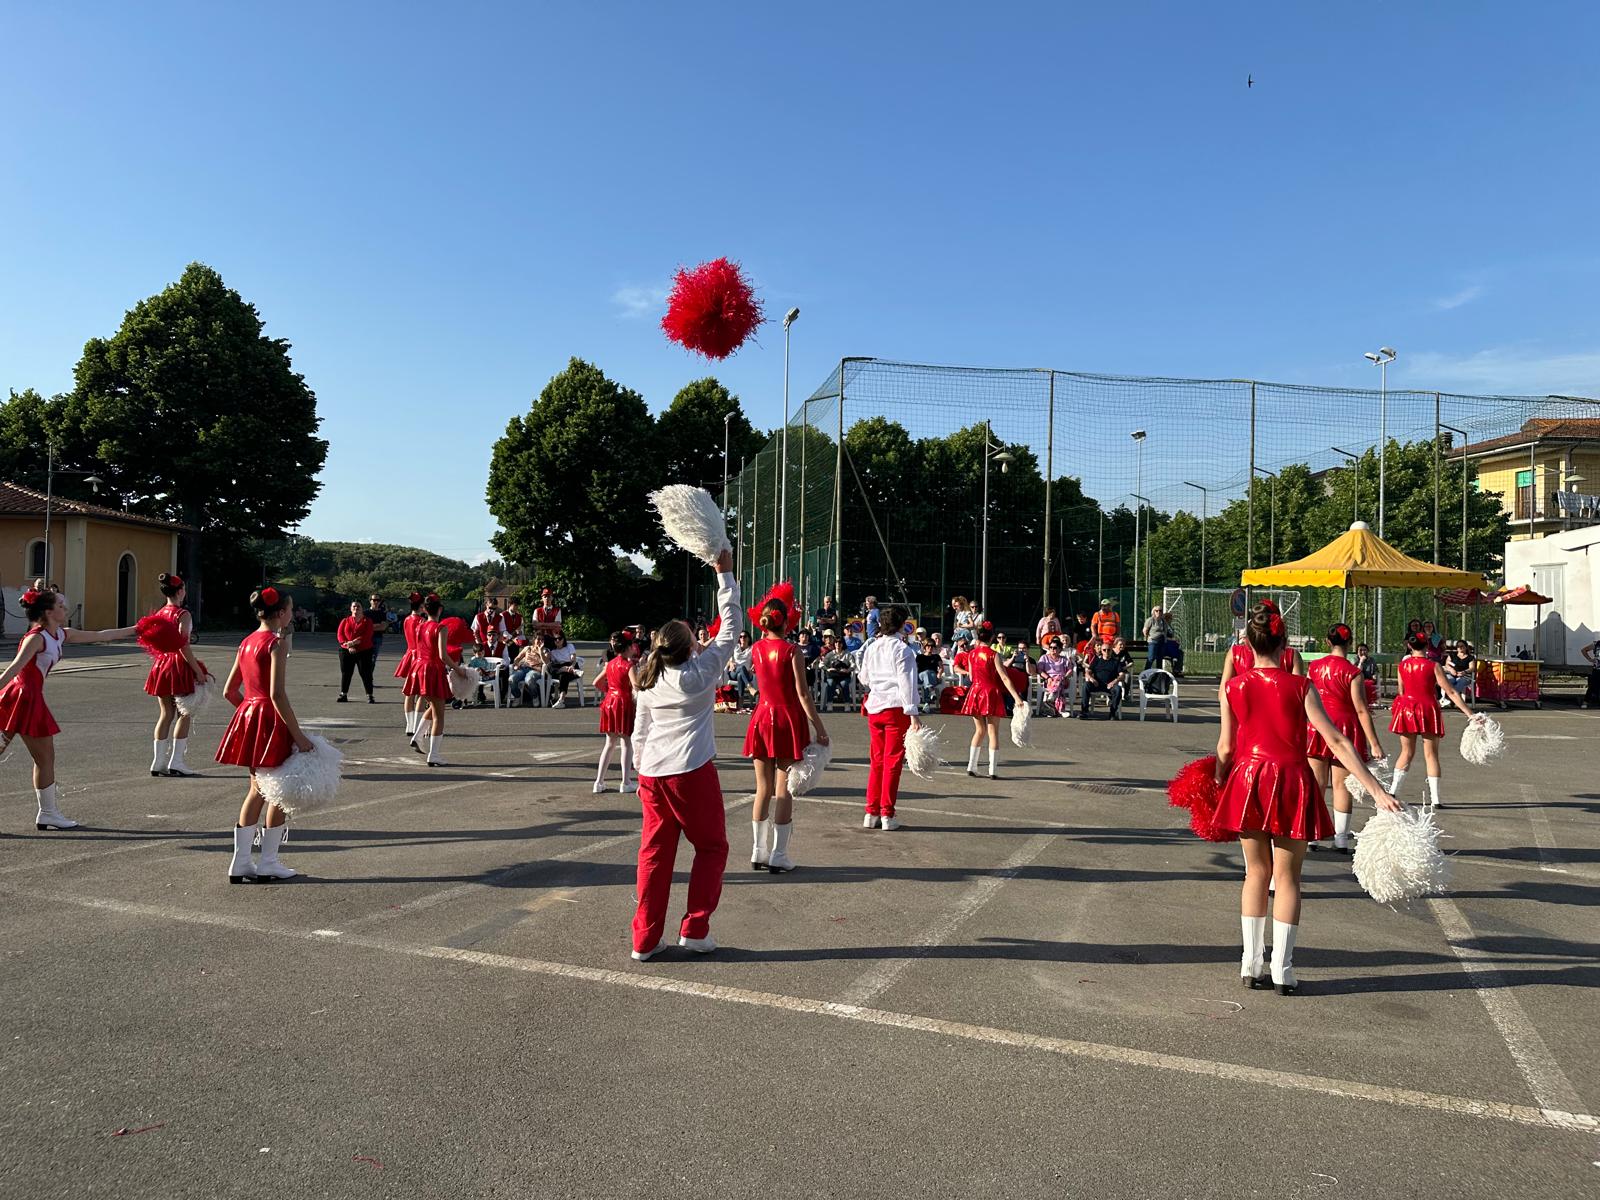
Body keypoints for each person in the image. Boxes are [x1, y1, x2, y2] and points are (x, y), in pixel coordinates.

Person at [1215, 602, 1398, 995]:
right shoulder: (1301, 686)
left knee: (1255, 874)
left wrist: (1217, 778)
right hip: (1291, 780)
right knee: (1288, 878)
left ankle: (1250, 964)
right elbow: (1336, 740)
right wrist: (1376, 790)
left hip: (1248, 780)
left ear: (1249, 644)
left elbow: (1226, 748)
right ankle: (1282, 970)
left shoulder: (1232, 687)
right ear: (1285, 645)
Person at [628, 550, 740, 961]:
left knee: (654, 855)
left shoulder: (648, 677)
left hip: (653, 773)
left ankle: (644, 940)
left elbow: (640, 731)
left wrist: (639, 771)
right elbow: (732, 626)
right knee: (712, 847)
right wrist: (724, 575)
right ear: (690, 646)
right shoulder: (700, 673)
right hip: (690, 771)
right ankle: (694, 928)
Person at [0, 587, 139, 831]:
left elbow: (101, 635)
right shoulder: (36, 638)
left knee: (45, 759)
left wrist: (138, 628)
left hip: (26, 699)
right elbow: (14, 668)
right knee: (45, 758)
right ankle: (48, 813)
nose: (65, 608)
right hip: (22, 699)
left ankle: (48, 813)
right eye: (60, 606)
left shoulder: (60, 634)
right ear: (48, 612)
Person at [217, 584, 315, 882]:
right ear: (282, 613)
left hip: (250, 716)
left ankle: (240, 862)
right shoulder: (276, 643)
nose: (292, 614)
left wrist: (249, 713)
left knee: (257, 790)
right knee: (278, 791)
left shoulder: (246, 641)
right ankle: (269, 861)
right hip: (271, 720)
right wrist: (299, 736)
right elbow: (277, 694)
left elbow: (229, 691)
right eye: (291, 609)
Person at [743, 587, 830, 873]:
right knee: (784, 790)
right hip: (787, 720)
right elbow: (803, 694)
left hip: (761, 717)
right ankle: (778, 855)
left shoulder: (756, 648)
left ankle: (758, 851)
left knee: (762, 788)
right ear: (786, 621)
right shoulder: (792, 651)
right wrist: (820, 728)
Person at [1305, 623, 1386, 855]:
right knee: (1342, 785)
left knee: (1317, 784)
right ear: (1350, 643)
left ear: (1327, 642)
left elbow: (1306, 697)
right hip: (1344, 728)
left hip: (1317, 725)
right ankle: (1341, 839)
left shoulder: (1314, 667)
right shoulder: (1353, 672)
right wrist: (1374, 743)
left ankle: (1312, 835)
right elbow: (1361, 710)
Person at [1389, 632, 1478, 810]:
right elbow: (1451, 692)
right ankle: (1435, 799)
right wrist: (1471, 714)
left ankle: (1393, 791)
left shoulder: (1403, 665)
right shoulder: (1433, 666)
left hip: (1407, 708)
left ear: (1410, 646)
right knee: (1431, 755)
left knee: (1406, 752)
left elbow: (1401, 691)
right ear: (1427, 646)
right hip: (1428, 709)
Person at [142, 572, 213, 777]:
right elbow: (183, 645)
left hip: (161, 664)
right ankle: (177, 762)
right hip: (179, 666)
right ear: (180, 591)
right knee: (185, 713)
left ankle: (158, 762)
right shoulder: (183, 614)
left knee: (165, 714)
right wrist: (198, 671)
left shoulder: (160, 613)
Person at [860, 604, 923, 830]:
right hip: (895, 709)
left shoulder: (872, 647)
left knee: (877, 761)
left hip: (875, 707)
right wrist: (913, 713)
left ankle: (871, 812)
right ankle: (887, 813)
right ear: (902, 625)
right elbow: (907, 683)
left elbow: (864, 678)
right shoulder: (903, 649)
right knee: (893, 762)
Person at [962, 620, 1024, 778]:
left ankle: (971, 766)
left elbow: (970, 676)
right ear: (992, 638)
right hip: (990, 693)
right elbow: (1004, 677)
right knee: (993, 732)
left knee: (979, 730)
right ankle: (993, 771)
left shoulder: (971, 654)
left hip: (975, 692)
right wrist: (1016, 697)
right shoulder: (994, 654)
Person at [403, 593, 452, 766]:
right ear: (440, 609)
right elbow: (443, 656)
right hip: (433, 669)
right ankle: (434, 754)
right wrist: (459, 669)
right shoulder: (441, 628)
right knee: (439, 715)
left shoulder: (419, 626)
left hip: (419, 667)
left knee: (434, 705)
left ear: (425, 609)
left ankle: (417, 736)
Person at [1218, 600, 1302, 698]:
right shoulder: (1291, 655)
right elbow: (1298, 694)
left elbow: (1223, 694)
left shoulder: (1235, 653)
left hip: (1242, 705)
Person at [594, 631, 641, 794]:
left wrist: (609, 691)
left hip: (609, 702)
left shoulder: (610, 664)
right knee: (626, 742)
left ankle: (599, 782)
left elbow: (596, 682)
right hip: (623, 703)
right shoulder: (629, 666)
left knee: (609, 743)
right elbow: (636, 686)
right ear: (628, 648)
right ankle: (625, 782)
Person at [394, 592, 425, 736]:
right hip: (419, 657)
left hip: (409, 655)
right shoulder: (421, 621)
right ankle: (416, 724)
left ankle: (409, 725)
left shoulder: (406, 619)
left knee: (409, 693)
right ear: (421, 606)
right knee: (420, 693)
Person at [336, 600, 377, 704]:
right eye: (354, 606)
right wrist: (347, 645)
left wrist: (353, 642)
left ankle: (369, 695)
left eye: (358, 606)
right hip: (346, 650)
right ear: (351, 609)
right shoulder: (345, 621)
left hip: (364, 650)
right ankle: (343, 694)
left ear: (362, 609)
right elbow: (340, 635)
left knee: (366, 673)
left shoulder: (368, 621)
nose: (356, 608)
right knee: (346, 673)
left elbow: (367, 635)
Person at [1081, 641, 1128, 719]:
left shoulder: (1116, 662)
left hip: (1110, 685)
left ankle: (1113, 713)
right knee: (1086, 685)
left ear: (1111, 651)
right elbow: (1087, 672)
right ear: (1101, 651)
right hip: (1097, 684)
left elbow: (1122, 675)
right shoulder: (1096, 660)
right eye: (1104, 650)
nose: (1106, 652)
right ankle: (1084, 712)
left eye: (1108, 650)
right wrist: (1092, 679)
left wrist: (1114, 681)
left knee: (1118, 689)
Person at [1142, 604, 1184, 676]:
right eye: (1156, 611)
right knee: (1151, 658)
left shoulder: (1163, 621)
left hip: (1162, 642)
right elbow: (1145, 631)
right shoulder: (1150, 620)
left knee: (1160, 659)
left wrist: (1170, 639)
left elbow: (1166, 633)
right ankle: (1145, 673)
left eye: (1160, 611)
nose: (1158, 612)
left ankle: (1159, 674)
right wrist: (1150, 638)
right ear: (1153, 612)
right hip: (1153, 641)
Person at [1036, 637, 1072, 717]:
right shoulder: (1044, 658)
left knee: (1059, 679)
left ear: (1060, 649)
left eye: (1055, 648)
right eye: (1051, 647)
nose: (1052, 649)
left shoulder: (1064, 659)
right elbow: (1039, 670)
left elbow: (1070, 670)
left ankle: (1051, 698)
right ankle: (1061, 710)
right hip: (1049, 681)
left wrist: (1065, 677)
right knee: (1059, 688)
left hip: (1063, 680)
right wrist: (1048, 678)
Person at [507, 637, 548, 706]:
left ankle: (535, 696)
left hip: (535, 670)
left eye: (542, 639)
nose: (540, 641)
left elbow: (546, 662)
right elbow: (518, 658)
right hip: (523, 668)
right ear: (534, 640)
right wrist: (516, 664)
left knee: (529, 680)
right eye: (538, 639)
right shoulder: (528, 648)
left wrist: (540, 651)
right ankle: (517, 696)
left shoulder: (545, 650)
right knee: (511, 679)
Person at [819, 630, 854, 710]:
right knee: (830, 683)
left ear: (842, 644)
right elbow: (821, 664)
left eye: (840, 643)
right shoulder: (830, 654)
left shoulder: (847, 654)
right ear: (834, 644)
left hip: (844, 675)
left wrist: (848, 670)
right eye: (836, 643)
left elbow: (853, 665)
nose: (838, 644)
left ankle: (847, 703)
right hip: (832, 675)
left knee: (844, 684)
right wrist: (828, 669)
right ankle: (829, 703)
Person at [546, 631, 581, 707]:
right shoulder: (552, 651)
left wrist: (572, 666)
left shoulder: (569, 646)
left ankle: (561, 700)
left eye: (559, 638)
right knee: (549, 667)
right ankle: (571, 671)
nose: (557, 640)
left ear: (563, 639)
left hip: (570, 666)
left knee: (563, 676)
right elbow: (548, 663)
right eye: (555, 639)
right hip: (559, 668)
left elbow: (573, 658)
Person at [728, 631, 756, 706]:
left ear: (749, 638)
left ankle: (740, 702)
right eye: (740, 636)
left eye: (744, 636)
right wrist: (731, 663)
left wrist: (752, 668)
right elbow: (728, 658)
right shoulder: (735, 647)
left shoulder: (752, 649)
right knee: (741, 668)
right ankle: (750, 687)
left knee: (740, 675)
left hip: (747, 673)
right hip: (734, 672)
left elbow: (756, 660)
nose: (742, 638)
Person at [366, 593, 392, 663]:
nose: (376, 602)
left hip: (377, 638)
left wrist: (370, 626)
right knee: (365, 659)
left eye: (378, 600)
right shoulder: (365, 613)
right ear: (370, 601)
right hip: (366, 638)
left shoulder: (382, 613)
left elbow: (383, 627)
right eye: (374, 600)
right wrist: (378, 625)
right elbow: (364, 627)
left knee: (373, 659)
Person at [1354, 642, 1380, 708]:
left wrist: (1374, 674)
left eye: (1365, 650)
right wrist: (1361, 662)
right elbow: (1356, 672)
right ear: (1357, 652)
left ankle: (1371, 701)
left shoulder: (1371, 660)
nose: (1363, 652)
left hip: (1369, 680)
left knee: (1370, 683)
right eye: (1360, 650)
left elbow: (1376, 670)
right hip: (1358, 681)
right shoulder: (1354, 660)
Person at [1582, 638, 1600, 708]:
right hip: (1597, 669)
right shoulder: (1596, 644)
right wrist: (1590, 659)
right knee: (1592, 686)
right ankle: (1585, 702)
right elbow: (1583, 650)